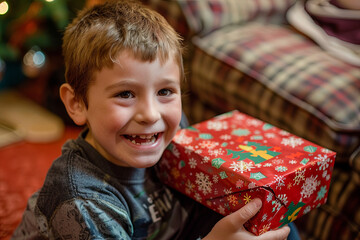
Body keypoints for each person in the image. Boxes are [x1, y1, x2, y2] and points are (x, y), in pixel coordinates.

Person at [12, 0, 293, 239]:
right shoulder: (82, 203)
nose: (151, 114)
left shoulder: (168, 129)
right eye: (125, 94)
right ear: (77, 104)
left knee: (272, 221)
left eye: (165, 91)